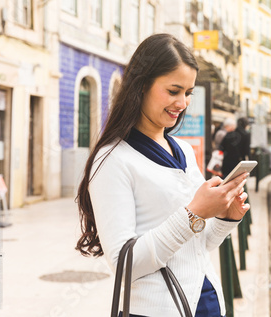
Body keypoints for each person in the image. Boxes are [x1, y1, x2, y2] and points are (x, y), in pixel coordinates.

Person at [75, 34, 250, 317]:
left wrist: (225, 217)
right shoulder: (112, 159)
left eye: (188, 92)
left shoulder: (182, 149)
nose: (182, 102)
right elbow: (123, 264)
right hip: (158, 309)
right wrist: (193, 213)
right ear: (141, 86)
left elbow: (199, 245)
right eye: (173, 91)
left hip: (205, 301)